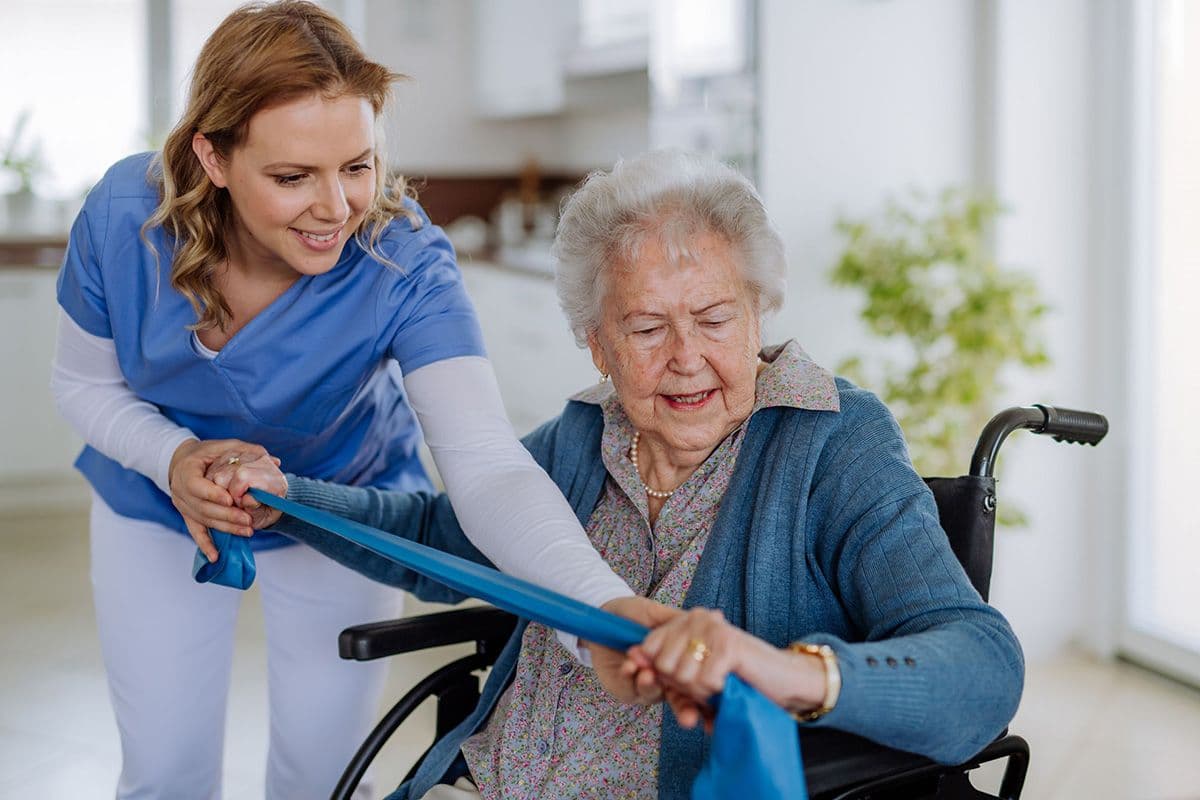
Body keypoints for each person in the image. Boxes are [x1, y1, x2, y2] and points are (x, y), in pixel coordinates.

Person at [214, 150, 1025, 800]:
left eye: (714, 319)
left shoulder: (830, 446)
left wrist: (784, 672)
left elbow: (982, 666)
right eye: (645, 328)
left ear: (758, 313)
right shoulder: (580, 435)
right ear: (596, 345)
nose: (685, 359)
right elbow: (441, 531)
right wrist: (291, 503)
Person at [50, 3, 642, 798]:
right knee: (163, 772)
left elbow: (485, 462)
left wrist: (600, 608)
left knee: (325, 776)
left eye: (357, 165)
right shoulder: (126, 218)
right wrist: (174, 457)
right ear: (213, 158)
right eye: (293, 177)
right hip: (151, 503)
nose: (335, 208)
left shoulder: (404, 260)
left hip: (340, 508)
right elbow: (84, 383)